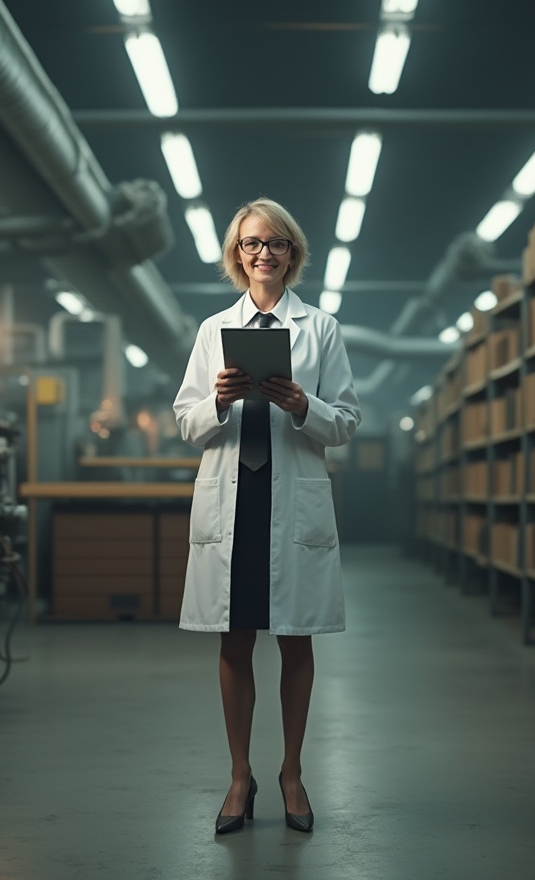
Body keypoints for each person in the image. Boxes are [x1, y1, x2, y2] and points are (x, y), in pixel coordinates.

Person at [172, 197, 361, 834]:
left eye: (276, 243)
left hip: (291, 498)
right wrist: (218, 403)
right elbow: (186, 422)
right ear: (237, 254)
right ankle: (237, 777)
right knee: (234, 640)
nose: (264, 253)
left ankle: (292, 774)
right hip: (235, 502)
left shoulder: (321, 329)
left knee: (295, 641)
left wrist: (305, 405)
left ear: (292, 254)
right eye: (252, 243)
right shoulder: (211, 330)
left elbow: (348, 423)